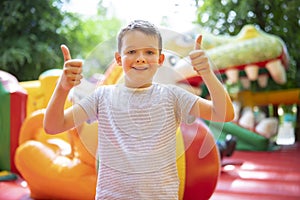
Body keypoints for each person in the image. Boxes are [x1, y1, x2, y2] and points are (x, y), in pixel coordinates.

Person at [44, 19, 234, 200]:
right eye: (132, 51)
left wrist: (207, 73)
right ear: (119, 58)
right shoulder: (102, 97)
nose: (141, 58)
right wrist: (62, 88)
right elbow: (53, 126)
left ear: (160, 59)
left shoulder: (173, 96)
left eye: (149, 52)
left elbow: (224, 113)